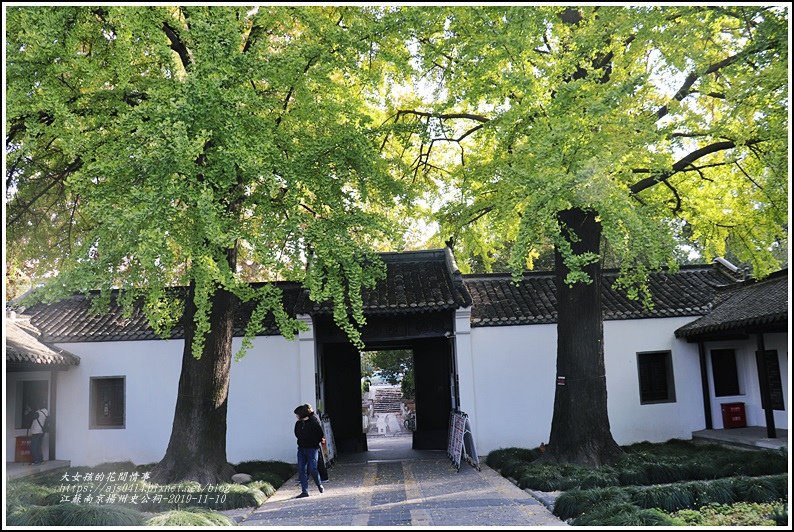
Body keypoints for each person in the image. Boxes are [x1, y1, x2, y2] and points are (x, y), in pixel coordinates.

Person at [293, 403, 325, 498]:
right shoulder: (298, 423)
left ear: (302, 414)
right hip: (301, 448)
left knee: (312, 468)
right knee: (302, 469)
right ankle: (305, 491)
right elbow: (296, 433)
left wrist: (315, 441)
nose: (296, 416)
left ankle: (319, 484)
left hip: (312, 448)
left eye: (297, 414)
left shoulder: (314, 422)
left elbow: (320, 434)